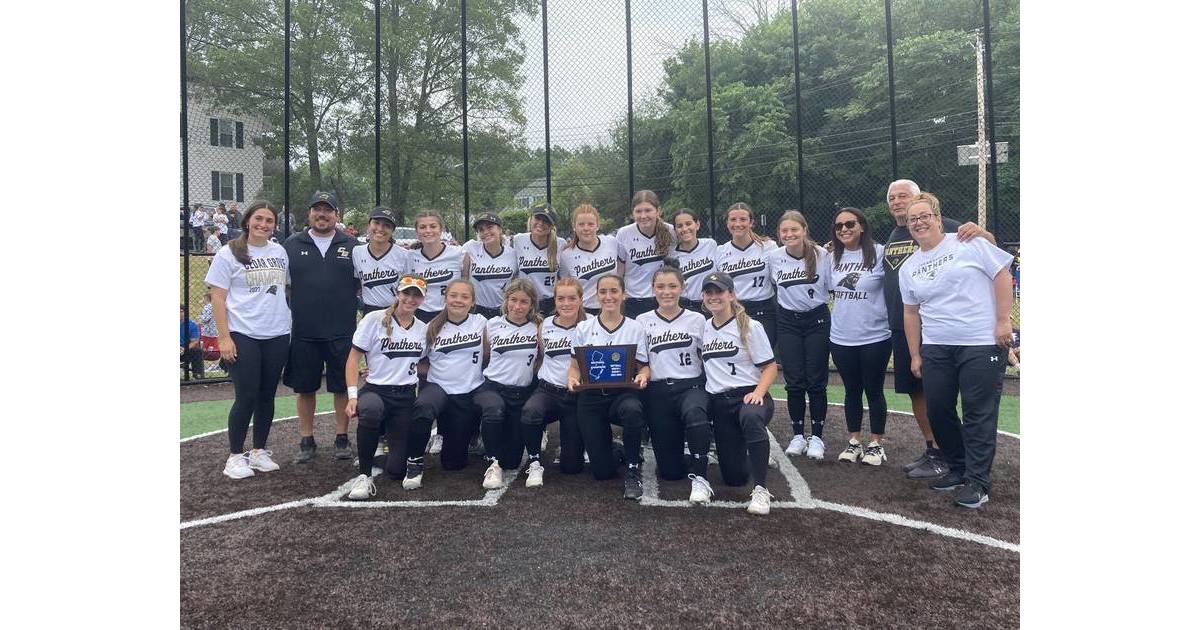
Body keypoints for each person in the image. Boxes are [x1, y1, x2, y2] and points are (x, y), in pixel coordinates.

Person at [899, 192, 1013, 509]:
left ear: (937, 217)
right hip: (936, 345)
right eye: (913, 219)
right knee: (938, 409)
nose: (919, 222)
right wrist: (915, 354)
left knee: (978, 412)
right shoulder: (909, 266)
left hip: (979, 341)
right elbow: (911, 311)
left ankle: (978, 481)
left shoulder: (968, 242)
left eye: (925, 216)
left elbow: (1002, 274)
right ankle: (959, 468)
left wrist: (1004, 321)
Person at [881, 179, 995, 479]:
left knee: (956, 399)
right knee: (918, 392)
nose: (896, 201)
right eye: (891, 197)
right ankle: (935, 450)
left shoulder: (950, 228)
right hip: (904, 326)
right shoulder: (894, 236)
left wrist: (983, 232)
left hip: (948, 332)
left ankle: (966, 461)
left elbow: (989, 254)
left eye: (903, 195)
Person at [203, 201, 291, 479]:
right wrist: (224, 338)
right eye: (258, 219)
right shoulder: (228, 253)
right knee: (247, 395)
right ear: (247, 221)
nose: (263, 225)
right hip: (243, 333)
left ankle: (259, 451)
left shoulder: (279, 252)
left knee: (267, 394)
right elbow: (218, 298)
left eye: (269, 220)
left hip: (276, 332)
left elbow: (284, 288)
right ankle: (234, 456)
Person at [282, 191, 360, 463]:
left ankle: (341, 437)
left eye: (328, 210)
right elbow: (287, 286)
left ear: (337, 215)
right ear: (309, 214)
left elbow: (360, 284)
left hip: (342, 331)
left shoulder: (352, 245)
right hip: (305, 331)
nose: (322, 214)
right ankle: (307, 440)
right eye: (317, 209)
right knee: (305, 388)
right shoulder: (291, 244)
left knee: (341, 387)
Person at [342, 275, 430, 500]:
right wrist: (353, 396)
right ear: (397, 293)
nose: (410, 299)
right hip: (376, 390)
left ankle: (374, 453)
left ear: (423, 300)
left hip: (405, 397)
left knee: (396, 470)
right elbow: (353, 359)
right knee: (370, 411)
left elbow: (423, 362)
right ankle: (364, 475)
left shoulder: (422, 329)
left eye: (416, 296)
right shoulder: (374, 319)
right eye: (406, 293)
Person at [699, 271, 779, 515]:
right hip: (720, 403)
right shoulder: (703, 328)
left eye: (719, 292)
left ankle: (761, 490)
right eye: (709, 293)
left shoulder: (750, 326)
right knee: (734, 477)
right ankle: (755, 450)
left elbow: (770, 367)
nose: (714, 297)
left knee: (751, 417)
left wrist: (759, 391)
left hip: (748, 395)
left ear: (731, 294)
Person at [567, 274, 650, 499]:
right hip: (592, 399)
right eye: (603, 292)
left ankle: (633, 470)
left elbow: (644, 367)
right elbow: (575, 367)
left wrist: (643, 376)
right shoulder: (584, 327)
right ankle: (618, 450)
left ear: (624, 295)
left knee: (633, 410)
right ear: (597, 295)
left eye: (614, 291)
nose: (608, 296)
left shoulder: (635, 327)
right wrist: (572, 379)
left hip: (622, 395)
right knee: (602, 472)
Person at [636, 261, 712, 504]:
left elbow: (707, 358)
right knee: (670, 472)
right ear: (653, 289)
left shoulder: (698, 319)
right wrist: (643, 373)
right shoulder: (641, 320)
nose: (666, 292)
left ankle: (701, 476)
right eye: (660, 286)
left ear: (682, 288)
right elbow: (641, 361)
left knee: (696, 415)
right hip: (658, 392)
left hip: (690, 386)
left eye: (672, 286)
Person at [407, 279, 489, 487]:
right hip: (439, 388)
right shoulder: (431, 327)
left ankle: (471, 436)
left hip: (468, 392)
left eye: (464, 296)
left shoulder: (481, 323)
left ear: (473, 302)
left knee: (453, 463)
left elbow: (489, 354)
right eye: (453, 295)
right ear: (445, 298)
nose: (458, 300)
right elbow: (416, 361)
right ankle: (414, 461)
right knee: (423, 407)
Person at [826, 208, 892, 466]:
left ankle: (876, 444)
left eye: (850, 224)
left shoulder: (880, 252)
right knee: (851, 390)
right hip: (842, 336)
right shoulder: (831, 257)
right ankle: (854, 441)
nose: (844, 229)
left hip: (875, 335)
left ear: (862, 226)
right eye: (839, 225)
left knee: (874, 390)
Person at [768, 211, 833, 460]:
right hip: (787, 321)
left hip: (816, 318)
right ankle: (797, 434)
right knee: (794, 381)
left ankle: (816, 436)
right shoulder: (773, 257)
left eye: (794, 230)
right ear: (778, 234)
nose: (789, 235)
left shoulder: (821, 255)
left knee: (816, 381)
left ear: (804, 230)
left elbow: (830, 287)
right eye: (784, 231)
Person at [520, 277, 588, 487]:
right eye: (561, 299)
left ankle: (606, 447)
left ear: (580, 300)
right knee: (531, 411)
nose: (566, 303)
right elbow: (541, 356)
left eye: (571, 298)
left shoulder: (591, 325)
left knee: (571, 467)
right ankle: (534, 462)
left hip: (577, 395)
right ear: (555, 301)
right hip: (548, 392)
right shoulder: (545, 324)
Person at [475, 278, 542, 489]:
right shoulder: (492, 324)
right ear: (506, 300)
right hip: (493, 387)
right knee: (494, 410)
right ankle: (492, 462)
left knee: (512, 462)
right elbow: (485, 356)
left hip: (521, 393)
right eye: (513, 300)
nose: (517, 306)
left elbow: (541, 357)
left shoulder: (538, 327)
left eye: (524, 302)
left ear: (531, 305)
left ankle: (496, 447)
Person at [716, 202, 778, 346]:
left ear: (751, 223)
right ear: (727, 223)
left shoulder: (769, 247)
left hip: (764, 310)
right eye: (733, 219)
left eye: (743, 219)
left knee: (763, 359)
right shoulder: (720, 251)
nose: (738, 224)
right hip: (733, 311)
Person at [617, 190, 674, 318]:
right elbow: (620, 268)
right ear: (632, 213)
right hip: (633, 300)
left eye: (648, 210)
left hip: (662, 298)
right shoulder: (624, 233)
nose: (643, 216)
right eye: (638, 211)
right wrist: (620, 292)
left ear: (658, 211)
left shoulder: (670, 230)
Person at [558, 204, 623, 315]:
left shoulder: (611, 242)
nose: (586, 228)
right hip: (585, 311)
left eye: (590, 224)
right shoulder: (566, 255)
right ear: (574, 226)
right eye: (581, 224)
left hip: (612, 306)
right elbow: (566, 285)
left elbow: (622, 267)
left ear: (597, 226)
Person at [409, 210, 464, 324]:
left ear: (441, 229)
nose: (428, 230)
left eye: (433, 226)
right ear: (417, 232)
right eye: (423, 227)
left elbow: (467, 282)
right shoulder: (410, 256)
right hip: (420, 314)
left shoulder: (459, 254)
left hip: (450, 313)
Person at [352, 206, 410, 314]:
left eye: (386, 225)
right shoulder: (356, 252)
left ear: (392, 231)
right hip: (369, 310)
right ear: (369, 225)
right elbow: (356, 284)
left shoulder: (404, 255)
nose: (380, 228)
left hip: (396, 310)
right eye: (376, 223)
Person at [463, 212, 519, 320]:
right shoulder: (471, 248)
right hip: (477, 310)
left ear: (500, 230)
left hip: (504, 309)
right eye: (481, 230)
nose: (485, 232)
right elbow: (450, 252)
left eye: (490, 227)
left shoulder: (512, 254)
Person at [514, 204, 566, 316]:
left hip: (551, 304)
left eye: (546, 221)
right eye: (537, 218)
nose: (541, 223)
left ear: (552, 226)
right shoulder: (518, 240)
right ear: (531, 219)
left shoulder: (560, 244)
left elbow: (563, 278)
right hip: (525, 302)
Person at [670, 208, 718, 313]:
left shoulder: (710, 244)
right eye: (679, 226)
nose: (684, 228)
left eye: (688, 224)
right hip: (686, 307)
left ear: (697, 225)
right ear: (675, 230)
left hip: (711, 305)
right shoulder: (671, 255)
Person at [181, 305, 204, 380]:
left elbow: (194, 341)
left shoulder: (192, 325)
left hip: (184, 351)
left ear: (185, 313)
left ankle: (197, 375)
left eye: (181, 312)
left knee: (197, 351)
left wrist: (184, 349)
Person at [199, 292, 220, 371]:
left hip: (208, 332)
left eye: (203, 298)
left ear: (206, 299)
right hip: (214, 330)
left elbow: (205, 319)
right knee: (214, 347)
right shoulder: (215, 306)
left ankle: (213, 364)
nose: (202, 300)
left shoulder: (207, 307)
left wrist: (200, 317)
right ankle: (215, 364)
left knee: (208, 348)